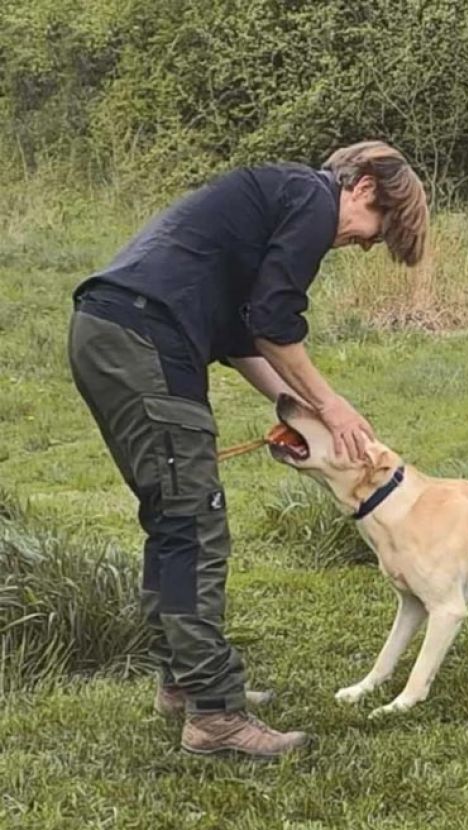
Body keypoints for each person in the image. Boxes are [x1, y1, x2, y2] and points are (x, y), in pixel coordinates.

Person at [68, 141, 429, 759]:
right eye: (377, 229)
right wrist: (332, 405)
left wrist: (298, 408)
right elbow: (274, 322)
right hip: (144, 341)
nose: (366, 243)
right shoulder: (314, 200)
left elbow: (243, 336)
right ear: (365, 188)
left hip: (112, 333)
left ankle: (185, 684)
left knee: (173, 519)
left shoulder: (277, 198)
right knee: (193, 526)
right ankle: (214, 716)